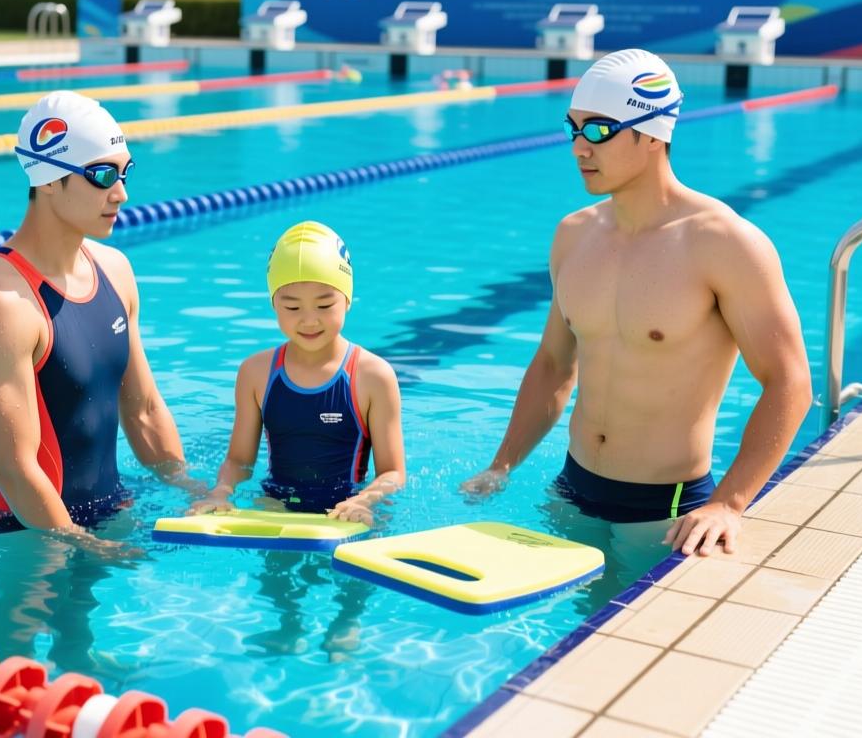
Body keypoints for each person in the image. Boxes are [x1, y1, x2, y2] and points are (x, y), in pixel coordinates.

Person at [461, 49, 813, 562]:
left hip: (663, 509)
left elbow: (791, 382)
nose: (580, 147)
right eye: (573, 129)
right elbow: (554, 364)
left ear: (652, 133)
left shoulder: (724, 242)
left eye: (599, 130)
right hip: (571, 489)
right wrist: (503, 464)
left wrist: (729, 505)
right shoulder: (573, 234)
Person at [0, 90, 192, 558]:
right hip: (27, 539)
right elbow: (17, 470)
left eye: (125, 172)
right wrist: (84, 545)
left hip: (109, 517)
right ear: (47, 180)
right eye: (102, 175)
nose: (121, 193)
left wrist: (190, 489)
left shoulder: (115, 270)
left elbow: (143, 410)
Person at [191, 220, 406, 525]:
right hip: (275, 510)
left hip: (345, 515)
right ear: (273, 305)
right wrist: (221, 492)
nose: (308, 320)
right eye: (292, 308)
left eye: (324, 305)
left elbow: (393, 472)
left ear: (347, 300)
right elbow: (239, 460)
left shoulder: (372, 376)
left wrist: (364, 500)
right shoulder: (256, 373)